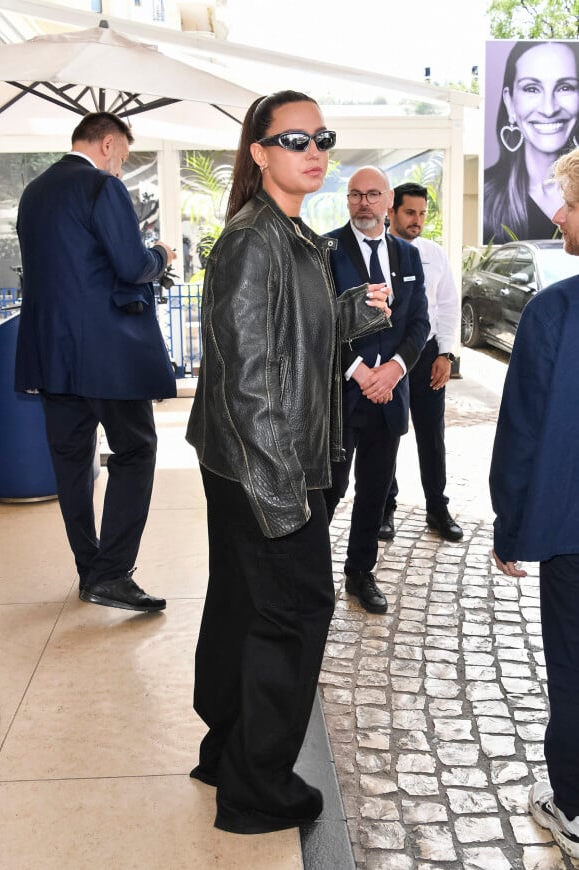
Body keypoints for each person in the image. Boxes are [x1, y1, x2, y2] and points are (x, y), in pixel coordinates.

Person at [185, 92, 390, 835]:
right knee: (294, 614)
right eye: (294, 137)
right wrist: (281, 498)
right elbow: (246, 381)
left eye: (322, 137)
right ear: (260, 152)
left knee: (242, 608)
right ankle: (256, 788)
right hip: (264, 467)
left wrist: (352, 315)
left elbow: (289, 340)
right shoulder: (254, 241)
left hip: (258, 460)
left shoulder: (294, 238)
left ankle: (227, 750)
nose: (314, 149)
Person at [15, 111, 177, 613]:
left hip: (50, 353)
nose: (121, 171)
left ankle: (91, 569)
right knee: (136, 450)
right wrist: (162, 255)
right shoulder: (101, 189)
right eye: (123, 159)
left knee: (71, 464)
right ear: (107, 145)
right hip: (107, 355)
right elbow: (131, 264)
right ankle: (111, 574)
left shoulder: (33, 193)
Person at [489, 146, 579, 860]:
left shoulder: (556, 311)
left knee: (575, 666)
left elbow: (522, 432)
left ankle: (573, 806)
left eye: (572, 202)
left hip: (572, 534)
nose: (558, 214)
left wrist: (511, 526)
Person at [323, 166, 430, 614]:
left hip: (390, 396)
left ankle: (360, 573)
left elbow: (419, 323)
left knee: (374, 492)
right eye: (354, 195)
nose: (363, 203)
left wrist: (394, 371)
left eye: (372, 195)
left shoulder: (408, 256)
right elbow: (317, 321)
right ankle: (308, 576)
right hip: (342, 396)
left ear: (389, 200)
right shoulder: (324, 249)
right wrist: (361, 372)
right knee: (329, 490)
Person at [379, 182, 462, 543]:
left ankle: (437, 508)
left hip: (427, 355)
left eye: (423, 214)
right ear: (391, 212)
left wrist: (445, 353)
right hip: (387, 356)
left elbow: (447, 305)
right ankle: (384, 509)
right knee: (385, 436)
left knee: (432, 436)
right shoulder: (376, 252)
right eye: (410, 212)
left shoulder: (434, 253)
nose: (417, 221)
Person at [483, 40, 579, 244]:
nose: (549, 109)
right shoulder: (487, 197)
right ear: (509, 102)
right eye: (532, 89)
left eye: (564, 87)